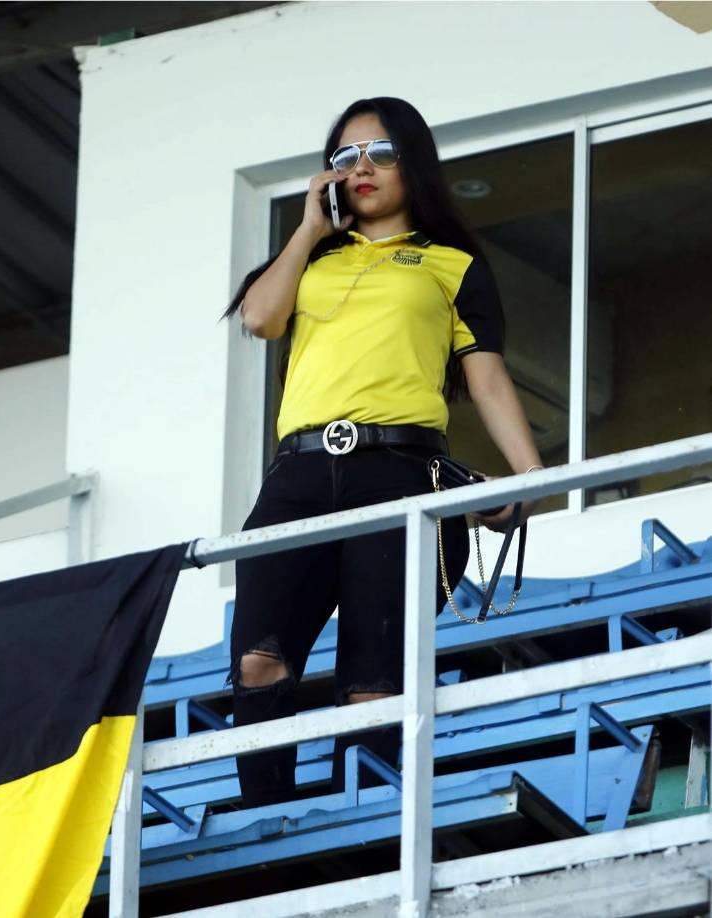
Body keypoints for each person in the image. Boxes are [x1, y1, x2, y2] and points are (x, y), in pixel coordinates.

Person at [223, 97, 543, 808]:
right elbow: (259, 317)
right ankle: (267, 829)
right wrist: (308, 229)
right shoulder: (311, 258)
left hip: (399, 474)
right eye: (345, 157)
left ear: (414, 162)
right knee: (258, 660)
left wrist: (531, 477)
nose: (361, 167)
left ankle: (360, 826)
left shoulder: (452, 263)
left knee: (371, 680)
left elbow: (486, 376)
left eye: (381, 152)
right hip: (299, 475)